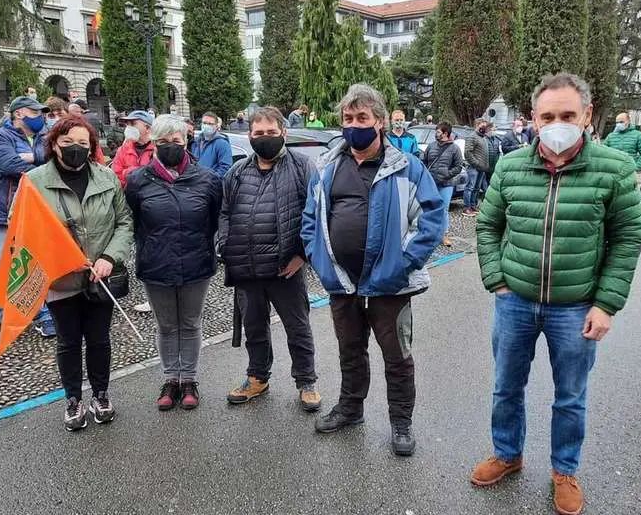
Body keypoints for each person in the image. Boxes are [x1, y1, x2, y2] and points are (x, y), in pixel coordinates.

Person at [472, 73, 641, 515]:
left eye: (567, 115)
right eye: (547, 116)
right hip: (515, 301)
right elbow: (487, 226)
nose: (557, 124)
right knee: (506, 387)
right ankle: (507, 454)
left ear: (587, 116)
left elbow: (626, 238)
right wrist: (497, 279)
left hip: (576, 307)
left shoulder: (613, 168)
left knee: (570, 395)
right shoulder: (510, 166)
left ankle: (564, 471)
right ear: (533, 118)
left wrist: (606, 304)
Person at [302, 83, 446, 457]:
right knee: (350, 351)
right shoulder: (327, 168)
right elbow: (310, 221)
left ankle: (401, 421)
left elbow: (431, 219)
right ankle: (351, 409)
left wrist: (402, 264)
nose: (354, 125)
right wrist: (320, 261)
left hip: (390, 286)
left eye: (362, 118)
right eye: (348, 119)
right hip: (343, 285)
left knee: (397, 356)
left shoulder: (407, 167)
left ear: (380, 122)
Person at [25, 116, 133, 432]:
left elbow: (124, 222)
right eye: (68, 143)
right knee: (68, 341)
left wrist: (110, 258)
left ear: (92, 146)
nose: (76, 149)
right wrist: (58, 258)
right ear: (54, 143)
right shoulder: (33, 182)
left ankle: (100, 394)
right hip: (61, 279)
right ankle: (73, 398)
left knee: (99, 339)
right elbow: (24, 232)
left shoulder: (106, 177)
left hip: (100, 277)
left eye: (83, 144)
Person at [217, 107, 320, 410]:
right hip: (246, 269)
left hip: (285, 268)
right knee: (254, 328)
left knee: (297, 327)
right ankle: (257, 377)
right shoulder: (236, 172)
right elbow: (225, 213)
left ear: (283, 134)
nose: (265, 138)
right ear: (250, 136)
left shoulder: (302, 167)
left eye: (271, 133)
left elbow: (316, 215)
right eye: (259, 134)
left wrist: (302, 255)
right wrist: (224, 244)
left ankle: (306, 381)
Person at [125, 115, 222, 410]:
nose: (170, 146)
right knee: (166, 325)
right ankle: (171, 379)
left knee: (190, 323)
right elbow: (131, 221)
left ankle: (189, 379)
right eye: (163, 141)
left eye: (176, 141)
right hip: (156, 264)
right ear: (153, 143)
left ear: (186, 141)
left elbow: (216, 220)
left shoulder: (207, 180)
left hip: (196, 264)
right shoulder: (137, 180)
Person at [0, 96, 57, 343]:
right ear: (19, 114)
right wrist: (37, 159)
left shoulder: (44, 138)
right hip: (4, 211)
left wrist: (31, 157)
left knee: (35, 266)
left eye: (42, 113)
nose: (41, 117)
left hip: (36, 212)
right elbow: (10, 165)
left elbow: (54, 163)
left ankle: (41, 313)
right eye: (35, 113)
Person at [422, 121, 464, 247]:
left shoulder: (454, 148)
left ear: (446, 133)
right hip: (431, 183)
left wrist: (447, 174)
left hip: (446, 184)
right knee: (429, 208)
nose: (436, 134)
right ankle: (428, 233)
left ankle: (444, 235)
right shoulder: (431, 146)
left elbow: (458, 166)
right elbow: (424, 162)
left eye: (438, 132)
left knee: (444, 209)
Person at [111, 110, 155, 188]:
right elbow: (115, 176)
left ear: (148, 128)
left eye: (133, 124)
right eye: (127, 124)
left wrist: (127, 172)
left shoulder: (157, 149)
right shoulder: (123, 149)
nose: (128, 127)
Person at [462, 119, 490, 216]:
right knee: (470, 187)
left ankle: (473, 205)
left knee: (477, 188)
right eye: (483, 126)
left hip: (481, 168)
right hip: (473, 167)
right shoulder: (472, 137)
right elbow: (467, 152)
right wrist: (476, 163)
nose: (485, 128)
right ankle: (466, 207)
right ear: (477, 125)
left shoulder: (483, 137)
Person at [193, 112, 232, 177]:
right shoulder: (197, 141)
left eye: (210, 124)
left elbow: (225, 168)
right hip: (196, 182)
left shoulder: (222, 143)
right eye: (204, 123)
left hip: (211, 184)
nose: (206, 126)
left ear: (216, 126)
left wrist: (209, 180)